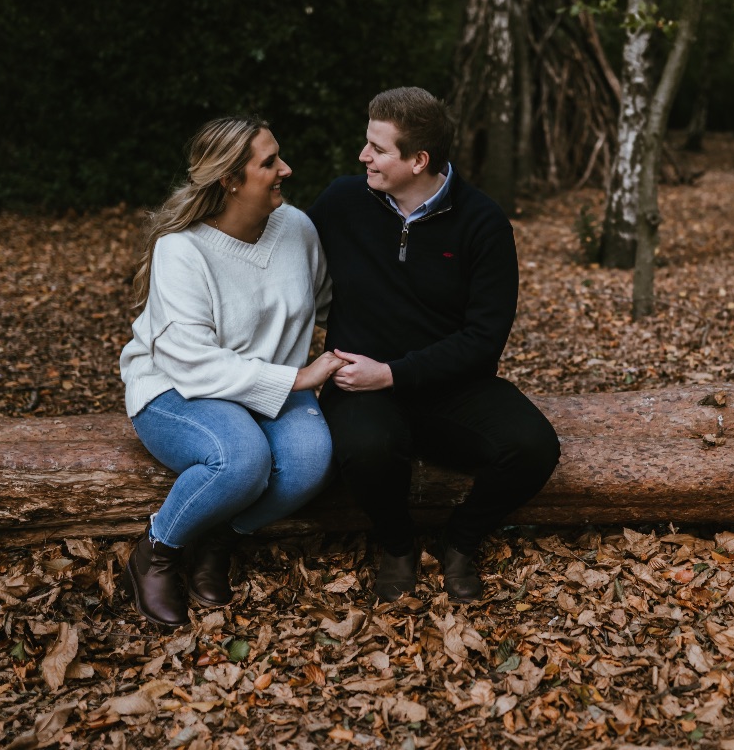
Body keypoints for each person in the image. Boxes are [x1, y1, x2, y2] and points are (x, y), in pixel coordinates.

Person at [309, 87, 560, 603]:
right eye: (367, 144)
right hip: (360, 384)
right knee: (370, 448)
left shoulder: (483, 223)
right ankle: (398, 548)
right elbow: (276, 258)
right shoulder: (341, 203)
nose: (364, 157)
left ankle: (461, 541)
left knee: (534, 448)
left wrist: (395, 373)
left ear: (418, 160)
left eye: (377, 149)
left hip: (450, 387)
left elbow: (484, 340)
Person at [119, 115, 345, 627]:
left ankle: (219, 538)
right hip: (178, 389)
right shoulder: (183, 250)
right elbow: (193, 362)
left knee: (312, 460)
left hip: (269, 385)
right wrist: (297, 379)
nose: (285, 169)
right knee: (241, 459)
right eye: (269, 163)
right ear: (230, 181)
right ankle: (156, 553)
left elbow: (328, 304)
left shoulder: (297, 228)